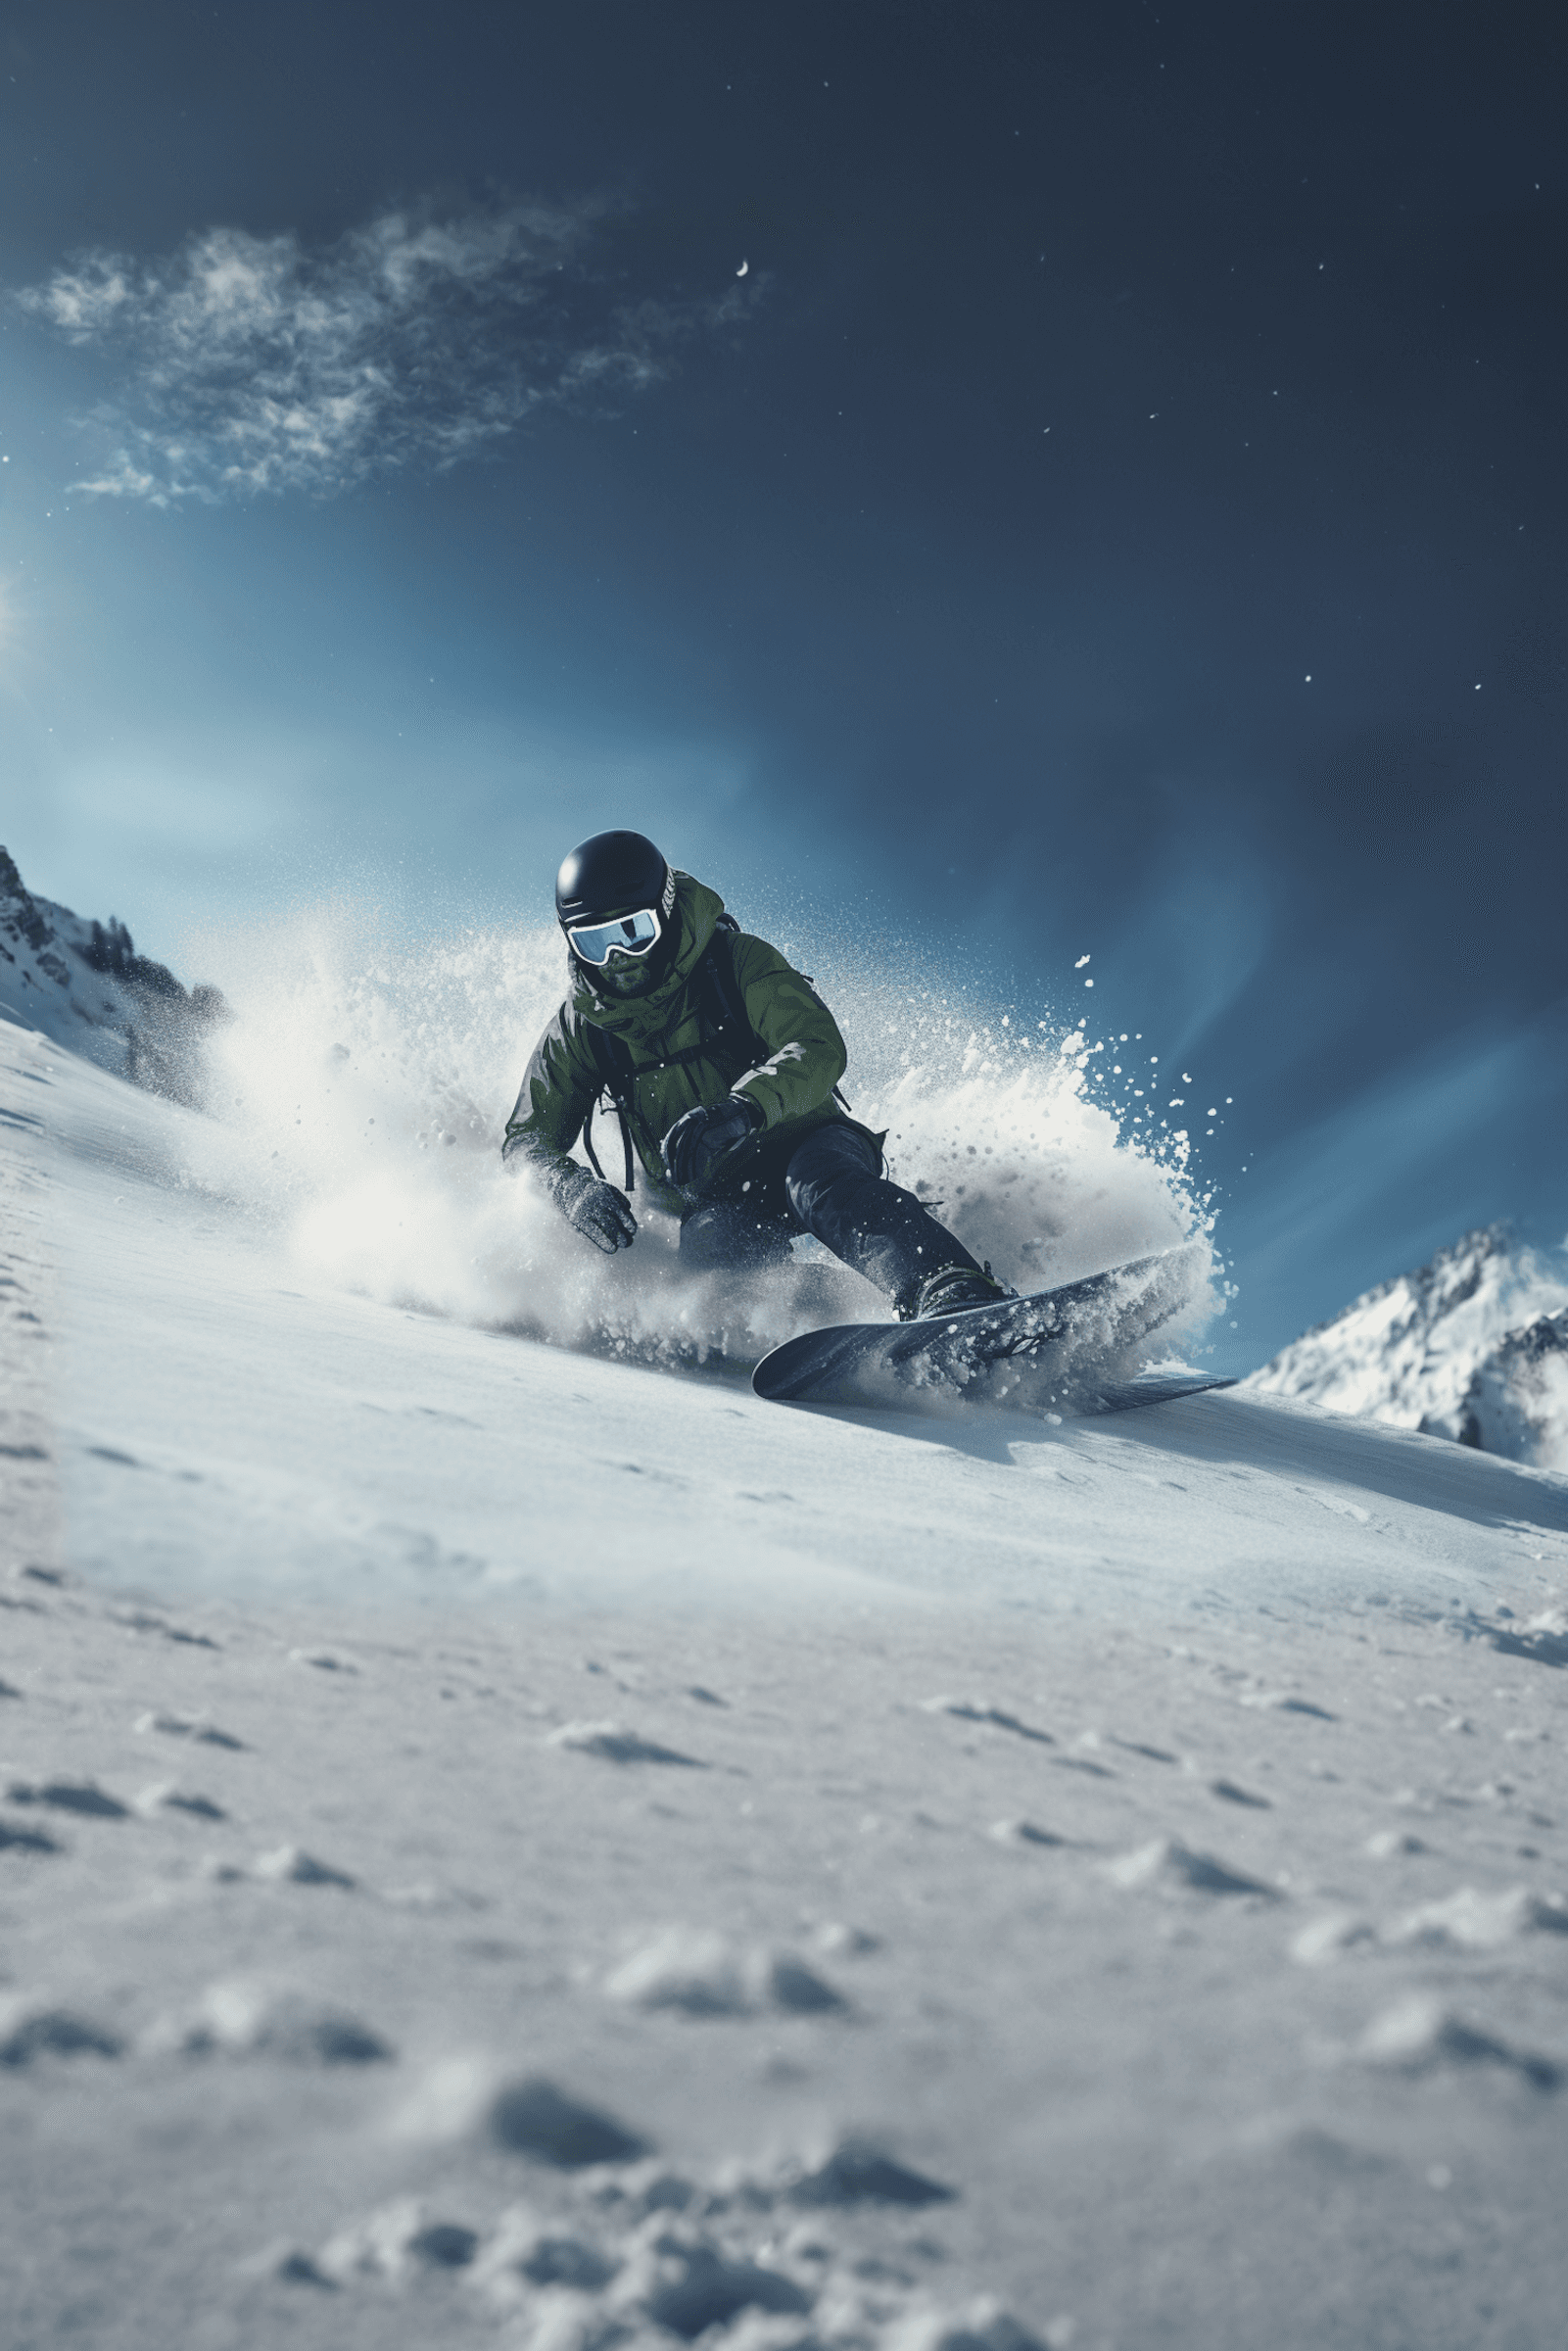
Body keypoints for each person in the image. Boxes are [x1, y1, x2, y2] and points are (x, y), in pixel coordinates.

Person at [501, 830, 1013, 1320]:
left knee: (816, 1186)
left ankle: (950, 1286)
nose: (618, 961)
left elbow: (817, 1044)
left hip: (807, 1141)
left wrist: (743, 1108)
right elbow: (526, 1140)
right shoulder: (583, 1027)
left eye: (633, 933)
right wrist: (568, 1188)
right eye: (595, 943)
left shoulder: (733, 963)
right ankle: (838, 1317)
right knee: (716, 1263)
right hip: (717, 1192)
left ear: (664, 911)